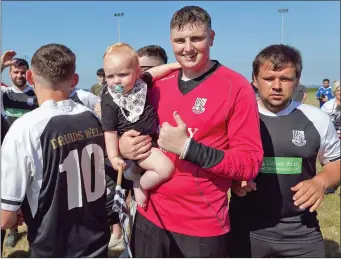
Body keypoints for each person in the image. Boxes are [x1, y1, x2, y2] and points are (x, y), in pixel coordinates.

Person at [118, 6, 263, 257]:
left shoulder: (236, 87)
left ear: (212, 37)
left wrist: (188, 148)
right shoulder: (157, 86)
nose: (187, 47)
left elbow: (249, 162)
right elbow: (131, 126)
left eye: (196, 38)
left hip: (201, 224)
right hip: (149, 214)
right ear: (170, 41)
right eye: (179, 40)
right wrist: (125, 145)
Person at [227, 44, 341, 258]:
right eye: (268, 78)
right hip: (245, 230)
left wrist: (320, 182)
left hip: (301, 232)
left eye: (286, 79)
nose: (276, 86)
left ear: (297, 81)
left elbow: (335, 164)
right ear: (254, 79)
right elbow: (218, 162)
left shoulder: (317, 118)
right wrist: (232, 179)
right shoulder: (236, 116)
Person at [1, 43, 110, 257]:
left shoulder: (26, 128)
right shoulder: (92, 118)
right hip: (97, 242)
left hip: (54, 246)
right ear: (75, 80)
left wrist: (15, 216)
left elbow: (5, 218)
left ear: (31, 77)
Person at [101, 42, 181, 208]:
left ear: (137, 72)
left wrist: (176, 65)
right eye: (110, 76)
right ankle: (140, 183)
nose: (116, 81)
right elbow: (109, 131)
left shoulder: (141, 83)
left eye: (122, 75)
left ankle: (135, 175)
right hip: (140, 145)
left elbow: (155, 71)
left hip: (149, 140)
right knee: (166, 169)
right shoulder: (110, 99)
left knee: (160, 167)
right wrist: (114, 156)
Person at [0, 50, 39, 248]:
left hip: (31, 153)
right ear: (10, 74)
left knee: (31, 195)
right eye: (15, 72)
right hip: (8, 154)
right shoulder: (4, 94)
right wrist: (1, 64)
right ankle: (12, 231)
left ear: (28, 73)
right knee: (11, 191)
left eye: (23, 72)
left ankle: (34, 233)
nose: (19, 76)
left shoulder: (35, 94)